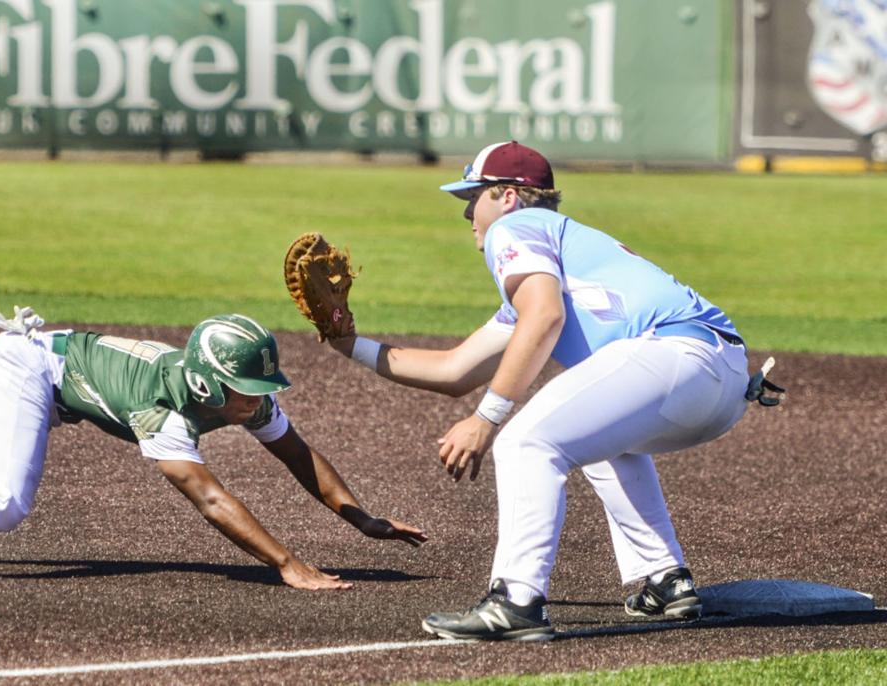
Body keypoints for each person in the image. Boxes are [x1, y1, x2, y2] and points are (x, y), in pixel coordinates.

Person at [327, 141, 780, 639]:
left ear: (507, 195)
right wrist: (347, 343)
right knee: (604, 438)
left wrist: (486, 419)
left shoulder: (515, 227)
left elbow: (545, 318)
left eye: (471, 196)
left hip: (674, 355)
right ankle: (664, 580)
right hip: (720, 379)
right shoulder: (551, 261)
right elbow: (455, 370)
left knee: (526, 442)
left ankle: (516, 602)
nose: (466, 213)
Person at [0, 310, 427, 589]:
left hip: (39, 362)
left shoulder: (234, 396)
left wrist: (358, 518)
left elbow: (296, 452)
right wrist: (291, 566)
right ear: (211, 385)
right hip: (29, 370)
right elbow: (208, 495)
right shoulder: (166, 406)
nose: (259, 399)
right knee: (3, 499)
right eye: (246, 387)